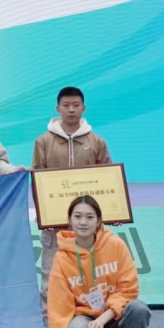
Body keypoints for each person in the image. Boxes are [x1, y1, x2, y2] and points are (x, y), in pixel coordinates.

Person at [48, 195, 149, 328]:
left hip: (115, 317)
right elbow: (58, 310)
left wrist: (104, 317)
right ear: (69, 221)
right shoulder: (61, 259)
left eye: (89, 217)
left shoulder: (116, 245)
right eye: (77, 216)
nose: (83, 222)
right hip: (85, 318)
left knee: (139, 309)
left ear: (98, 221)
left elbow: (128, 289)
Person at [32, 87, 112, 304]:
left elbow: (107, 179)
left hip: (88, 225)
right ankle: (49, 325)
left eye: (76, 105)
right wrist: (44, 213)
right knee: (51, 276)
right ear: (57, 108)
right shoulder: (43, 142)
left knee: (91, 277)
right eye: (66, 105)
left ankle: (91, 321)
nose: (71, 110)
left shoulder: (97, 142)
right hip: (54, 225)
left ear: (83, 108)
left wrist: (111, 213)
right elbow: (37, 180)